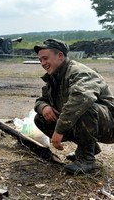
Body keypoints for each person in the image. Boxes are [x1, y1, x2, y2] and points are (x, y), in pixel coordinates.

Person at [33, 38, 114, 175]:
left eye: (45, 58)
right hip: (95, 123)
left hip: (110, 126)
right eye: (40, 60)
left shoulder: (79, 72)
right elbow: (41, 100)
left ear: (60, 56)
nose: (43, 63)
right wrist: (43, 107)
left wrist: (59, 131)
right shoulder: (55, 77)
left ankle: (87, 160)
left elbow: (82, 99)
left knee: (83, 107)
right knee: (40, 118)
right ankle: (87, 148)